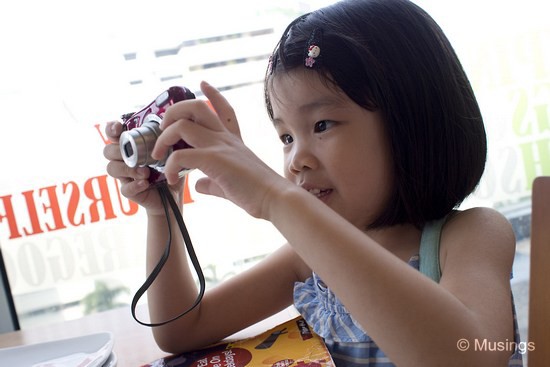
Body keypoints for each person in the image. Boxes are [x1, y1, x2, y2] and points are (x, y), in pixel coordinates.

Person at [103, 0, 524, 365]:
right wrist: (164, 209)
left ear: (411, 121)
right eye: (286, 137)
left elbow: (466, 357)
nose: (296, 160)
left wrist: (276, 198)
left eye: (321, 125)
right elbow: (180, 329)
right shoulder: (307, 261)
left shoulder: (469, 236)